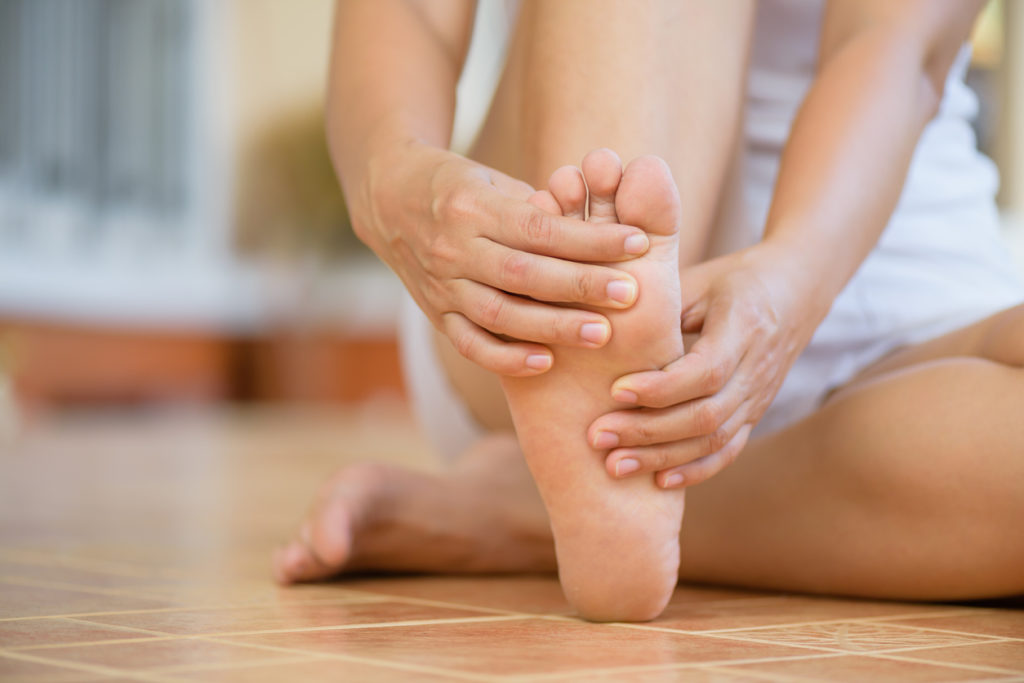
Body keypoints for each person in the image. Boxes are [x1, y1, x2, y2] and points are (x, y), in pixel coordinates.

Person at [273, 0, 1024, 621]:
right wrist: (398, 180)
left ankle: (533, 510)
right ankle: (603, 405)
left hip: (881, 273)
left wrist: (790, 283)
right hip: (540, 293)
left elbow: (894, 46)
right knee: (609, 256)